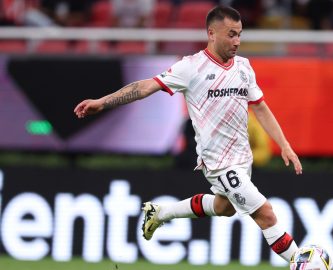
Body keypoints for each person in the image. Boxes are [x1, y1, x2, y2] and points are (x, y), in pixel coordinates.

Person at [74, 5, 302, 262]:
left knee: (224, 208)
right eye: (231, 34)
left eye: (239, 34)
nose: (237, 41)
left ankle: (160, 213)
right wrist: (103, 102)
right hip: (219, 164)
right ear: (211, 33)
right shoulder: (191, 67)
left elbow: (259, 106)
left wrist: (284, 144)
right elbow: (145, 86)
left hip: (242, 159)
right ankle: (300, 262)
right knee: (266, 214)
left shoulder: (243, 67)